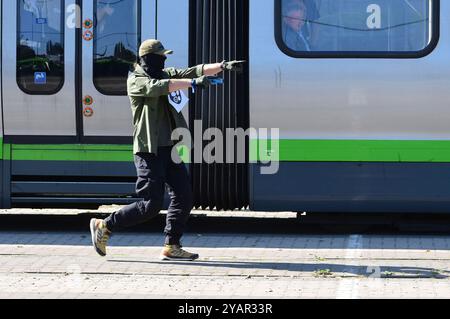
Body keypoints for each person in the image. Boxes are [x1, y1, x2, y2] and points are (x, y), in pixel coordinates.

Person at [90, 39, 244, 261]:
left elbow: (191, 70)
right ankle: (105, 225)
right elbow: (157, 88)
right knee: (150, 205)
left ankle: (172, 245)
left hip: (169, 149)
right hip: (148, 151)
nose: (164, 60)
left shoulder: (164, 73)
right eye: (160, 56)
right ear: (147, 58)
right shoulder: (135, 79)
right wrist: (193, 83)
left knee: (184, 196)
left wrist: (222, 65)